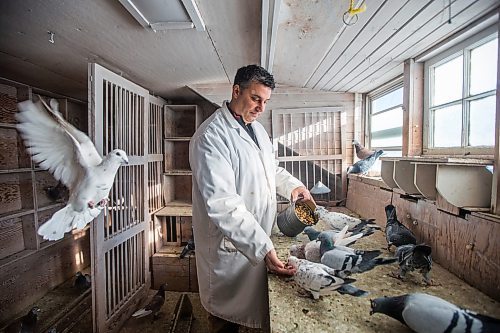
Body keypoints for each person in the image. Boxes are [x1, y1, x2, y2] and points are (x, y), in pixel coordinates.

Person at [189, 64, 314, 332]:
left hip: (255, 239)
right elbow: (223, 205)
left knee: (251, 316)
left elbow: (271, 168)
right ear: (236, 91)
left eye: (266, 101)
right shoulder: (210, 137)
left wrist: (294, 187)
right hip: (229, 250)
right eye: (256, 98)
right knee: (225, 322)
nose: (261, 108)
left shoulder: (257, 130)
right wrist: (261, 245)